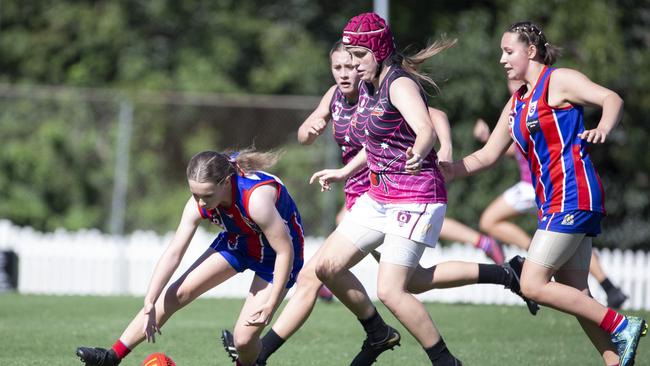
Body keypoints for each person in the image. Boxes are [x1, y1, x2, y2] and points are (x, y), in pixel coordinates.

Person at [220, 40, 528, 366]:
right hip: (365, 196)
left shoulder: (380, 88)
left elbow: (433, 116)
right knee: (411, 281)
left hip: (388, 193)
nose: (345, 72)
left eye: (351, 64)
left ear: (364, 62)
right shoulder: (337, 96)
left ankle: (263, 354)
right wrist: (307, 131)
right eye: (338, 66)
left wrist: (446, 152)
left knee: (321, 274)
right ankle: (506, 275)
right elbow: (307, 131)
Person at [310, 12, 530, 366]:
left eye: (359, 55)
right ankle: (379, 333)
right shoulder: (367, 85)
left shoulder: (399, 84)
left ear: (379, 50)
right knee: (328, 267)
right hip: (379, 196)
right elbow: (376, 144)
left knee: (393, 290)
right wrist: (343, 171)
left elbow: (425, 127)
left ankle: (445, 361)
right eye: (349, 56)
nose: (352, 64)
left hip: (416, 196)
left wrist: (423, 149)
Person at [440, 21, 646, 366]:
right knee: (577, 293)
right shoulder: (517, 101)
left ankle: (623, 323)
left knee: (533, 284)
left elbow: (611, 98)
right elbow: (487, 155)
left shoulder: (559, 81)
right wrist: (447, 171)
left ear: (531, 51)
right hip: (552, 202)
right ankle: (615, 361)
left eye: (509, 52)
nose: (502, 60)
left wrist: (604, 128)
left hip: (574, 195)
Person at [76, 149, 305, 366]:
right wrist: (150, 300)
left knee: (243, 340)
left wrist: (272, 302)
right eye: (195, 194)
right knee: (177, 292)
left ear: (226, 183)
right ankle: (111, 356)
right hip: (239, 242)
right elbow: (175, 252)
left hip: (278, 256)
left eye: (206, 196)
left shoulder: (255, 200)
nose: (201, 203)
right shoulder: (200, 200)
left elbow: (285, 251)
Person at [474, 113, 629, 308]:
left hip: (540, 187)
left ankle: (536, 256)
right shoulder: (520, 107)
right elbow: (512, 150)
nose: (512, 85)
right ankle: (609, 288)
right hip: (540, 187)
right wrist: (490, 139)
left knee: (489, 220)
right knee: (572, 244)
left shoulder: (535, 107)